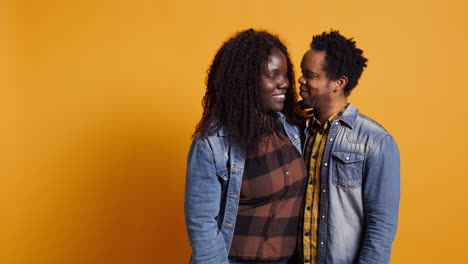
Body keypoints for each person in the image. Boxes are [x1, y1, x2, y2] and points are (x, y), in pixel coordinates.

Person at [184, 29, 308, 264]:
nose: (284, 83)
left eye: (285, 74)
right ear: (246, 82)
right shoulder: (212, 143)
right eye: (273, 76)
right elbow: (202, 224)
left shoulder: (293, 128)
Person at [298, 30, 400, 264]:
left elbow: (381, 227)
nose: (300, 80)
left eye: (309, 75)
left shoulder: (375, 141)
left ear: (338, 82)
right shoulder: (299, 132)